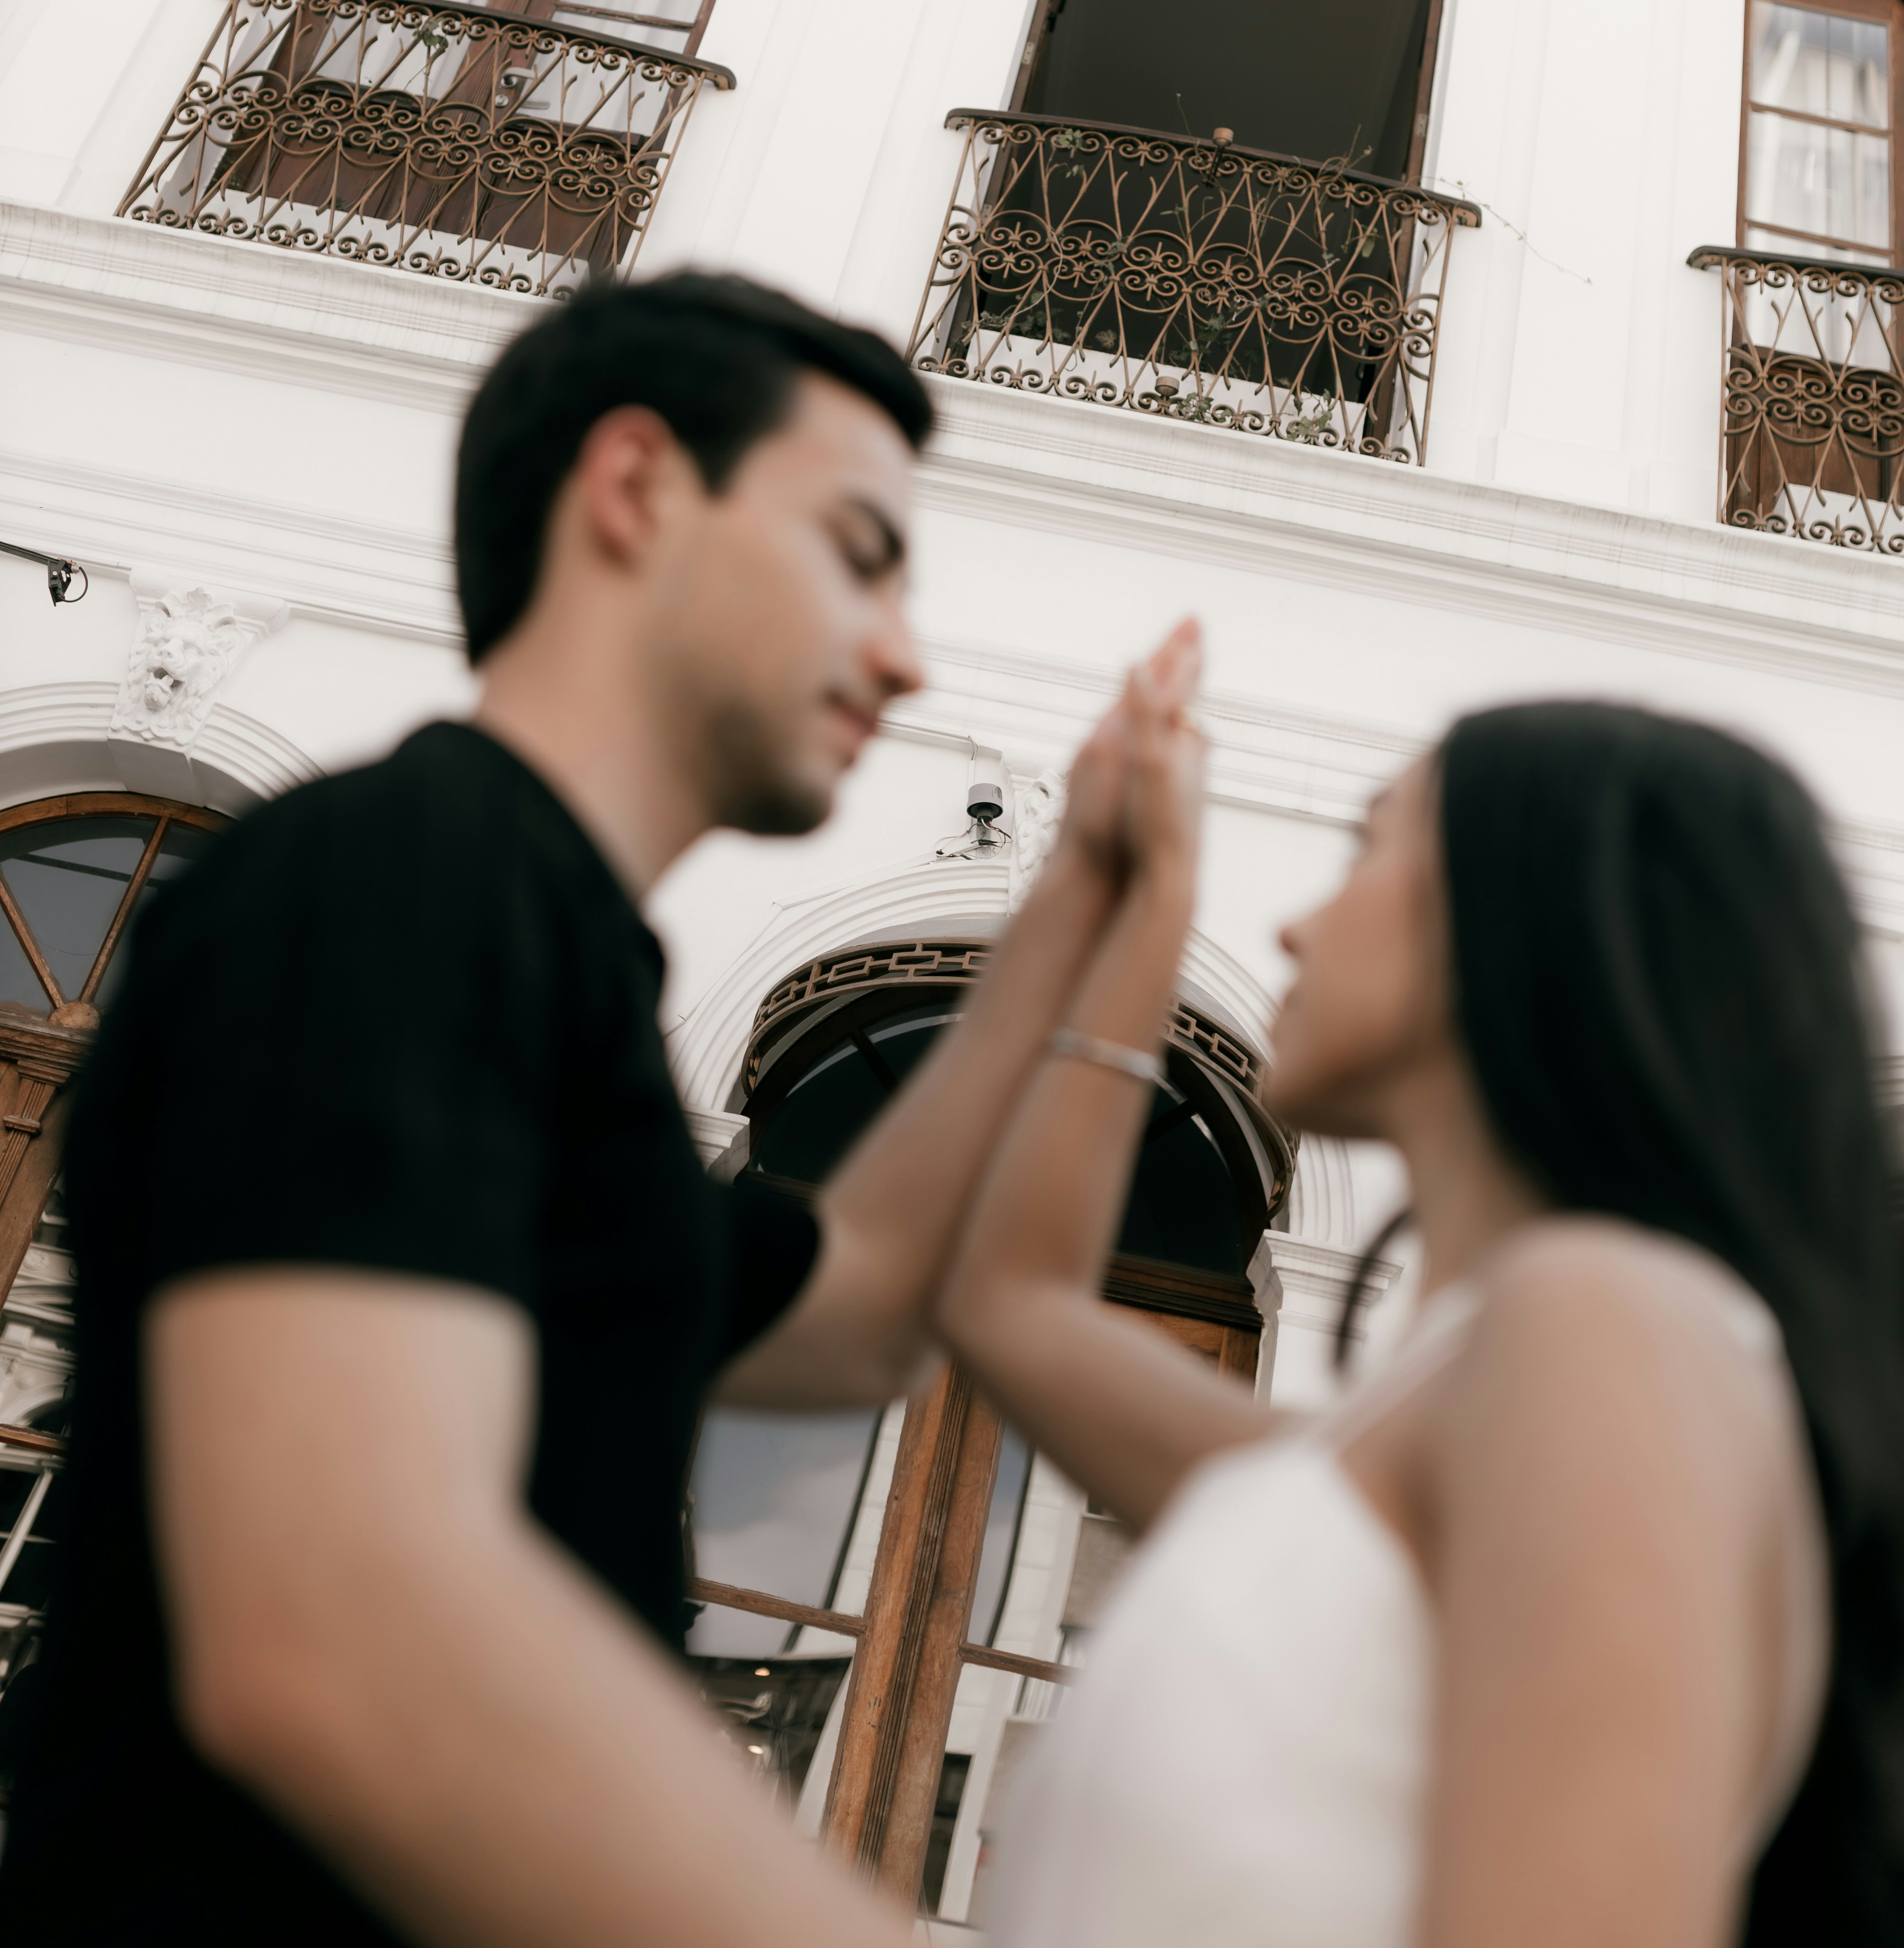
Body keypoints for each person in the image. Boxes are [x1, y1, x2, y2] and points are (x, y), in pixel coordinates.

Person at [0, 271, 1183, 1948]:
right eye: (858, 552)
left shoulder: (546, 978)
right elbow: (333, 1645)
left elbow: (857, 1314)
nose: (906, 656)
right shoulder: (393, 882)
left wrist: (1088, 907)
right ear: (634, 490)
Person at [939, 678, 1904, 1947]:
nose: (1291, 926)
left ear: (1529, 923)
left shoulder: (1606, 1327)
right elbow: (1007, 1302)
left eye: (1370, 847)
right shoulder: (1395, 1449)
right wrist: (1138, 910)